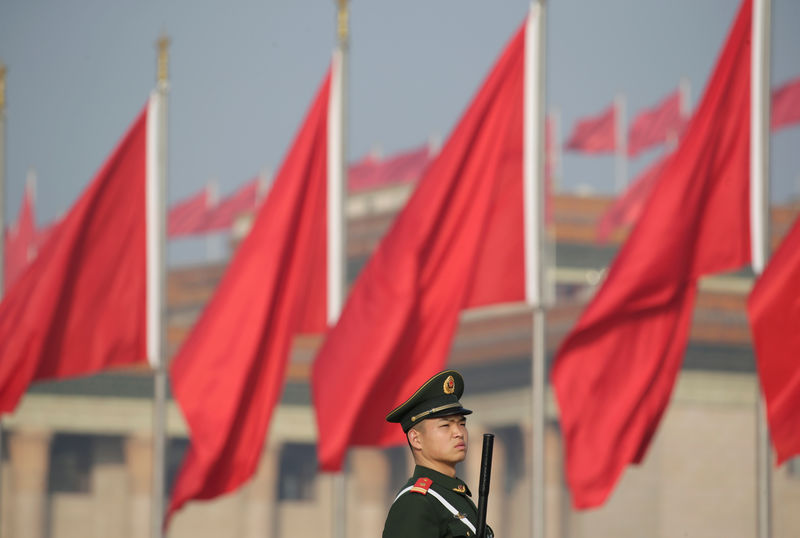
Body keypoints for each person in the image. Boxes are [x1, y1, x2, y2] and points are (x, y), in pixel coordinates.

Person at [382, 370, 493, 538]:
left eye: (462, 423)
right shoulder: (416, 503)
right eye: (445, 426)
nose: (458, 432)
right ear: (416, 439)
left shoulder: (457, 497)